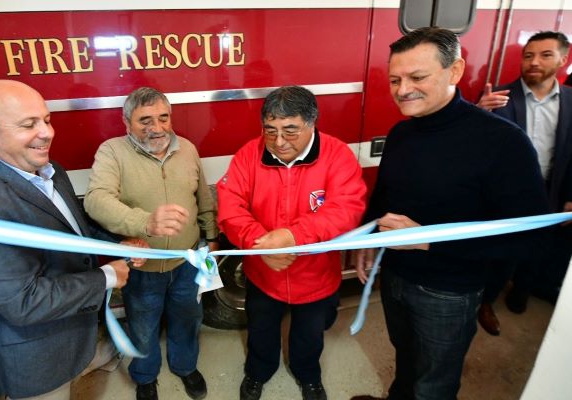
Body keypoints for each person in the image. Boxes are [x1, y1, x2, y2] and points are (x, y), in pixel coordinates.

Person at [350, 28, 549, 400]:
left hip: (448, 293)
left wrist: (431, 242)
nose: (402, 89)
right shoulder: (401, 133)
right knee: (407, 361)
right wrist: (368, 237)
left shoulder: (503, 143)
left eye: (417, 77)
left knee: (434, 385)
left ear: (455, 71)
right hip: (395, 278)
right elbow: (387, 197)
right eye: (395, 79)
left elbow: (529, 239)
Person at [0, 80, 138, 400]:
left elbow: (73, 227)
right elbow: (24, 302)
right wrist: (107, 276)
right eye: (28, 124)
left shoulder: (50, 170)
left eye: (46, 119)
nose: (47, 132)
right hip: (34, 359)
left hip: (71, 336)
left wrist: (117, 243)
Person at [217, 86, 367, 400]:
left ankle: (308, 375)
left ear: (312, 123)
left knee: (310, 335)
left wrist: (294, 237)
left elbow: (347, 209)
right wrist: (263, 246)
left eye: (290, 130)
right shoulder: (249, 154)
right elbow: (230, 208)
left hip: (315, 273)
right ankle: (258, 373)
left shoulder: (337, 155)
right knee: (260, 328)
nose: (279, 141)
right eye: (270, 130)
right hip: (264, 271)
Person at [84, 87, 218, 400]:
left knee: (189, 318)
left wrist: (210, 239)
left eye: (163, 118)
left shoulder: (187, 148)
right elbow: (96, 200)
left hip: (190, 260)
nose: (156, 128)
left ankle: (185, 367)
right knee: (143, 326)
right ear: (126, 122)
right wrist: (144, 223)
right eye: (145, 120)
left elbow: (203, 200)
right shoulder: (112, 151)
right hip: (143, 268)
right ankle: (145, 376)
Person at [477, 31, 572, 316]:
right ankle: (486, 303)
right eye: (528, 55)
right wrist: (478, 112)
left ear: (563, 60)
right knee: (502, 253)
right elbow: (473, 150)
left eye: (545, 55)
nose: (534, 62)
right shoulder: (499, 99)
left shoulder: (571, 101)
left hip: (551, 192)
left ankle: (521, 294)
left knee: (539, 250)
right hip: (507, 196)